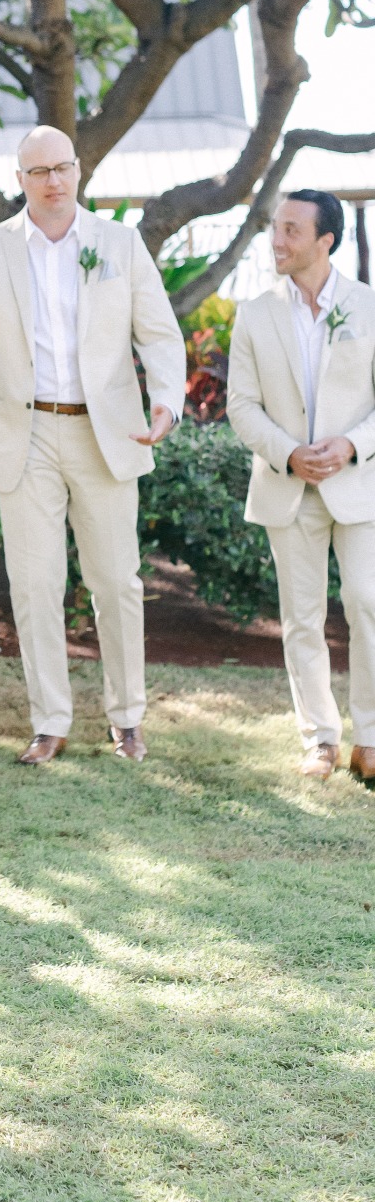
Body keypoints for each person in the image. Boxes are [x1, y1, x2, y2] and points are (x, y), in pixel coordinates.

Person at [0, 126, 185, 765]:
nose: (53, 181)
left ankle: (126, 719)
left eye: (63, 168)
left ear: (78, 171)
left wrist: (166, 399)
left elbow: (158, 333)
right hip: (26, 431)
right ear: (20, 179)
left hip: (107, 432)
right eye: (38, 170)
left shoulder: (119, 244)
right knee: (35, 584)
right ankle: (50, 722)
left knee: (116, 582)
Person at [227, 190, 375, 782]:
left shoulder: (367, 306)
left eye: (291, 231)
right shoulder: (254, 313)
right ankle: (320, 739)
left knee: (368, 604)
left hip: (360, 485)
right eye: (275, 228)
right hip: (287, 489)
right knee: (301, 619)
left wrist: (351, 445)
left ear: (325, 242)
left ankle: (371, 734)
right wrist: (289, 453)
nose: (277, 241)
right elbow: (241, 406)